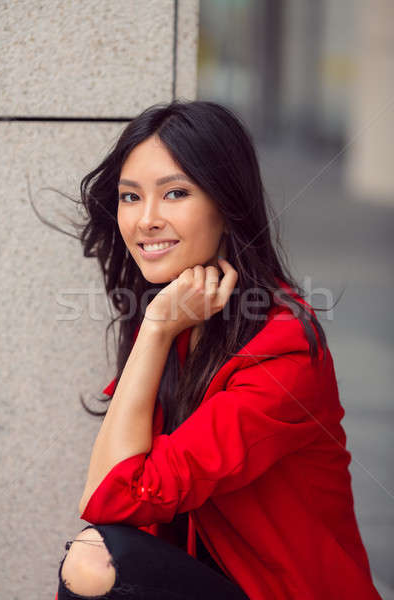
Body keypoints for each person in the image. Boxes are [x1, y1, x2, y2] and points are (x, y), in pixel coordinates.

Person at [53, 100, 382, 599]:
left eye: (176, 193)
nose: (146, 220)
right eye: (130, 197)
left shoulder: (282, 346)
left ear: (228, 207)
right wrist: (157, 330)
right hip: (204, 580)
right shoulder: (179, 318)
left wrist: (157, 327)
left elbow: (108, 498)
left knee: (95, 560)